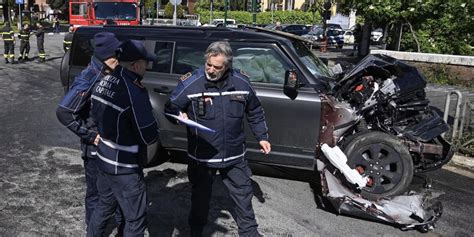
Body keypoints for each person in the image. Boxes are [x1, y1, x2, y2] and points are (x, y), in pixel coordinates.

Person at [164, 41, 271, 237]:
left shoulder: (242, 83)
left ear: (227, 66)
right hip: (203, 158)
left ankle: (250, 233)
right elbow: (170, 109)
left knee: (243, 198)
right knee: (200, 199)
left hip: (234, 155)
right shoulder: (190, 83)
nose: (211, 70)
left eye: (217, 67)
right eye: (208, 65)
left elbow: (254, 111)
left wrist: (262, 137)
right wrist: (179, 115)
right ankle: (196, 232)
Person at [88, 39, 159, 236]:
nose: (147, 66)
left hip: (103, 158)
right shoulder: (134, 90)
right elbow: (148, 134)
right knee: (135, 219)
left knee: (103, 208)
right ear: (136, 65)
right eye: (146, 63)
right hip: (124, 166)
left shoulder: (105, 80)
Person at [56, 32, 123, 230]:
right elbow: (64, 112)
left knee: (115, 192)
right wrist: (90, 136)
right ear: (109, 56)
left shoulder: (107, 72)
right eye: (118, 56)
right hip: (95, 151)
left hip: (112, 147)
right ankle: (93, 230)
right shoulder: (90, 77)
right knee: (96, 195)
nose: (120, 60)